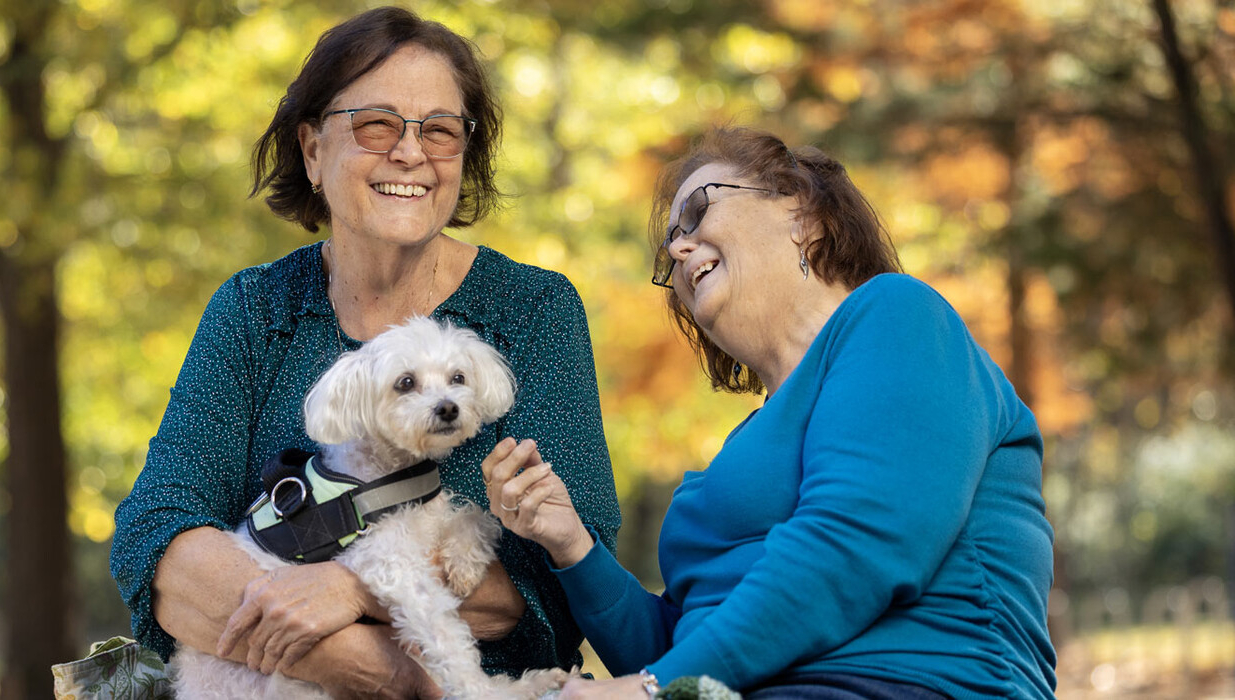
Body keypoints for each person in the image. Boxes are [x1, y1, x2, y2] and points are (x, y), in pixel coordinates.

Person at [109, 7, 619, 698]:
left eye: (440, 131)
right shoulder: (255, 311)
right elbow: (159, 536)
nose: (410, 153)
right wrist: (344, 660)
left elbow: (567, 583)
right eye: (376, 124)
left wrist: (353, 589)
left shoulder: (533, 312)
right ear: (314, 150)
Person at [486, 127, 1057, 699]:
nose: (679, 250)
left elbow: (859, 542)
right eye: (668, 252)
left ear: (803, 213)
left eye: (698, 211)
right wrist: (572, 545)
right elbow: (682, 651)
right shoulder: (743, 446)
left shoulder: (899, 315)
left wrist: (653, 689)